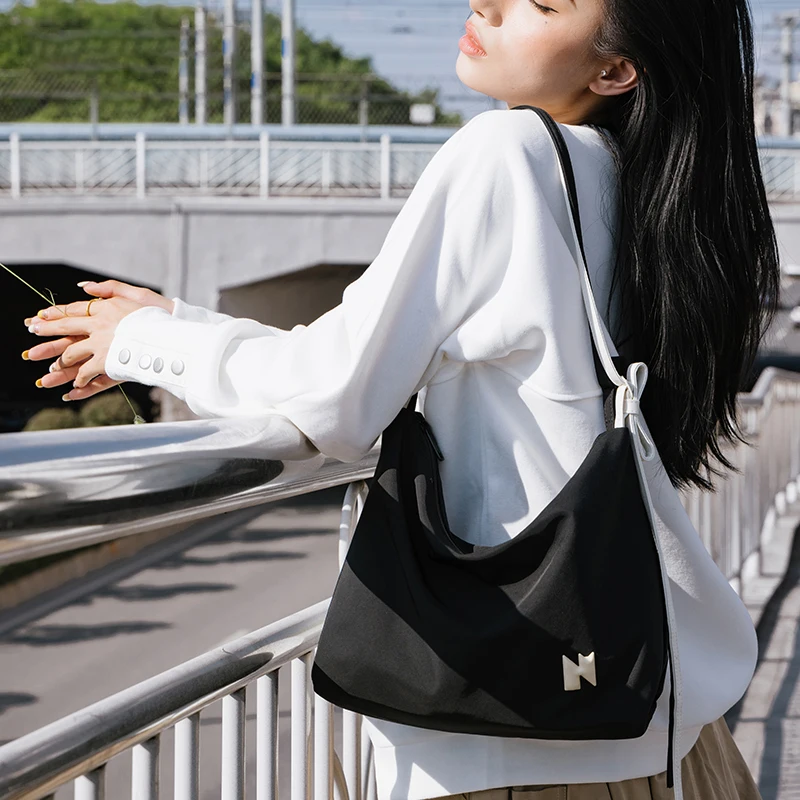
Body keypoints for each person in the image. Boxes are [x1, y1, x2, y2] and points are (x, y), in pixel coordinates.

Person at [22, 0, 779, 796]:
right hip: (657, 726)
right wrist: (178, 324)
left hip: (513, 743)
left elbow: (336, 396)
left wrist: (147, 341)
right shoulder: (642, 183)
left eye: (542, 3)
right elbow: (360, 359)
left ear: (616, 69)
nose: (488, 4)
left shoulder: (507, 153)